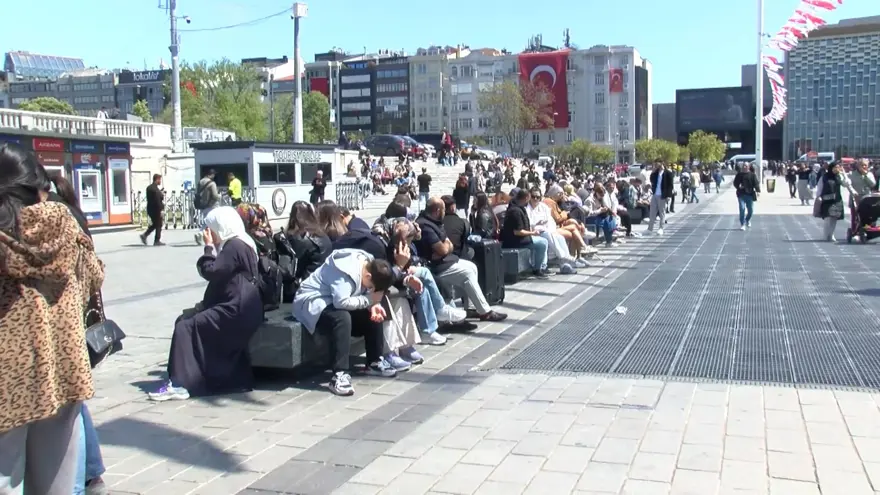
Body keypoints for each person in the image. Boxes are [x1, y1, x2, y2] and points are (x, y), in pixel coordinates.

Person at [0, 143, 104, 494]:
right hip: (63, 371)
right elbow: (94, 279)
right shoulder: (66, 229)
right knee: (56, 487)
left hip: (8, 381)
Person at [149, 207, 265, 401]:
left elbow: (211, 271)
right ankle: (188, 377)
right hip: (242, 306)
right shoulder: (243, 241)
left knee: (186, 327)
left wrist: (208, 248)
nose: (207, 233)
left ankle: (181, 383)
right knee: (185, 320)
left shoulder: (234, 245)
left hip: (236, 309)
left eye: (210, 228)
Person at [45, 173, 110, 494]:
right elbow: (96, 275)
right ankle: (92, 471)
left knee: (68, 409)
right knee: (74, 404)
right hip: (74, 325)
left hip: (56, 331)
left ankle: (86, 476)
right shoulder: (72, 214)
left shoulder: (45, 220)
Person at [293, 250, 398, 395]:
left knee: (374, 313)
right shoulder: (343, 272)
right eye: (371, 286)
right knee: (342, 317)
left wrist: (373, 305)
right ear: (368, 276)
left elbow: (365, 296)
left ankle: (374, 362)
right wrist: (369, 300)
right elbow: (341, 302)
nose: (370, 290)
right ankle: (339, 374)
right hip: (313, 302)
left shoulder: (369, 265)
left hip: (337, 301)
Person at [416, 198, 508, 322]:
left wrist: (445, 247)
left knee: (472, 266)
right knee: (467, 273)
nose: (445, 213)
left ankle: (470, 308)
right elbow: (443, 249)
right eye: (443, 210)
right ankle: (485, 312)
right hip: (434, 266)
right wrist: (445, 247)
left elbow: (447, 245)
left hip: (443, 260)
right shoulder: (425, 225)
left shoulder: (435, 222)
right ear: (438, 211)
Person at [526, 189, 585, 274]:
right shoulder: (527, 209)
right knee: (547, 234)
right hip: (534, 233)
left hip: (546, 230)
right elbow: (531, 224)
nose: (535, 199)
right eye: (533, 197)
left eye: (538, 197)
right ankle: (564, 257)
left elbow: (547, 221)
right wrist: (540, 222)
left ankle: (565, 265)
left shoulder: (543, 207)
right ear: (529, 197)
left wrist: (540, 223)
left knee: (559, 237)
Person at [501, 188, 550, 278]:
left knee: (543, 240)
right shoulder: (516, 211)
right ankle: (537, 269)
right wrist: (532, 233)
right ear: (527, 197)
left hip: (519, 238)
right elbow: (517, 232)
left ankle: (540, 267)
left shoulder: (517, 208)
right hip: (515, 241)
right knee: (543, 243)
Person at [286, 201, 333, 281]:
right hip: (323, 281)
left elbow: (292, 268)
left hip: (304, 284)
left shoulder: (299, 238)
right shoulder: (323, 235)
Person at [816, 162, 853, 242]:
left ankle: (831, 234)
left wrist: (844, 174)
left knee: (834, 218)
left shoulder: (839, 177)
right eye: (835, 167)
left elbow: (847, 184)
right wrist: (818, 196)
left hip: (837, 200)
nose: (836, 169)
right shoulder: (824, 177)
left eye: (838, 167)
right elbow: (819, 187)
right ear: (831, 168)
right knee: (827, 218)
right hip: (827, 199)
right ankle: (825, 235)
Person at [441, 195, 473, 261]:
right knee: (471, 251)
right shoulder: (462, 222)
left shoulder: (435, 221)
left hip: (439, 256)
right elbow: (464, 242)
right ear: (453, 208)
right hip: (455, 257)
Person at [647, 162, 675, 235]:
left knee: (662, 212)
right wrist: (653, 171)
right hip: (655, 194)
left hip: (662, 195)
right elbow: (651, 180)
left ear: (662, 164)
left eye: (658, 165)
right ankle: (650, 228)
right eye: (656, 165)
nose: (657, 166)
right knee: (652, 212)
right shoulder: (655, 173)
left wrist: (668, 196)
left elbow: (670, 185)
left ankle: (661, 228)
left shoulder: (668, 173)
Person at [194, 169, 221, 245]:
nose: (214, 176)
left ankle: (202, 233)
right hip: (212, 205)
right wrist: (220, 196)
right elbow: (215, 196)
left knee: (207, 220)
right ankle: (201, 233)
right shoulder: (212, 183)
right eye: (214, 174)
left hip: (203, 205)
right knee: (212, 220)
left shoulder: (200, 182)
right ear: (211, 174)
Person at [733, 163, 761, 230]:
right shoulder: (739, 175)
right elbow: (735, 183)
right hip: (741, 194)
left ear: (748, 167)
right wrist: (738, 186)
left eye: (746, 166)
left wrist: (758, 191)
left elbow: (756, 184)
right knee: (742, 209)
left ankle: (747, 220)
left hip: (750, 195)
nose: (744, 167)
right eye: (743, 166)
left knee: (750, 210)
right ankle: (742, 224)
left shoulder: (752, 175)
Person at [140, 173, 165, 246]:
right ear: (157, 179)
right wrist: (161, 210)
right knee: (159, 224)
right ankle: (156, 241)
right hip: (156, 209)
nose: (160, 181)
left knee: (155, 224)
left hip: (150, 209)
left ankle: (144, 235)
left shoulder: (150, 188)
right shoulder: (155, 189)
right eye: (159, 180)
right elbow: (158, 200)